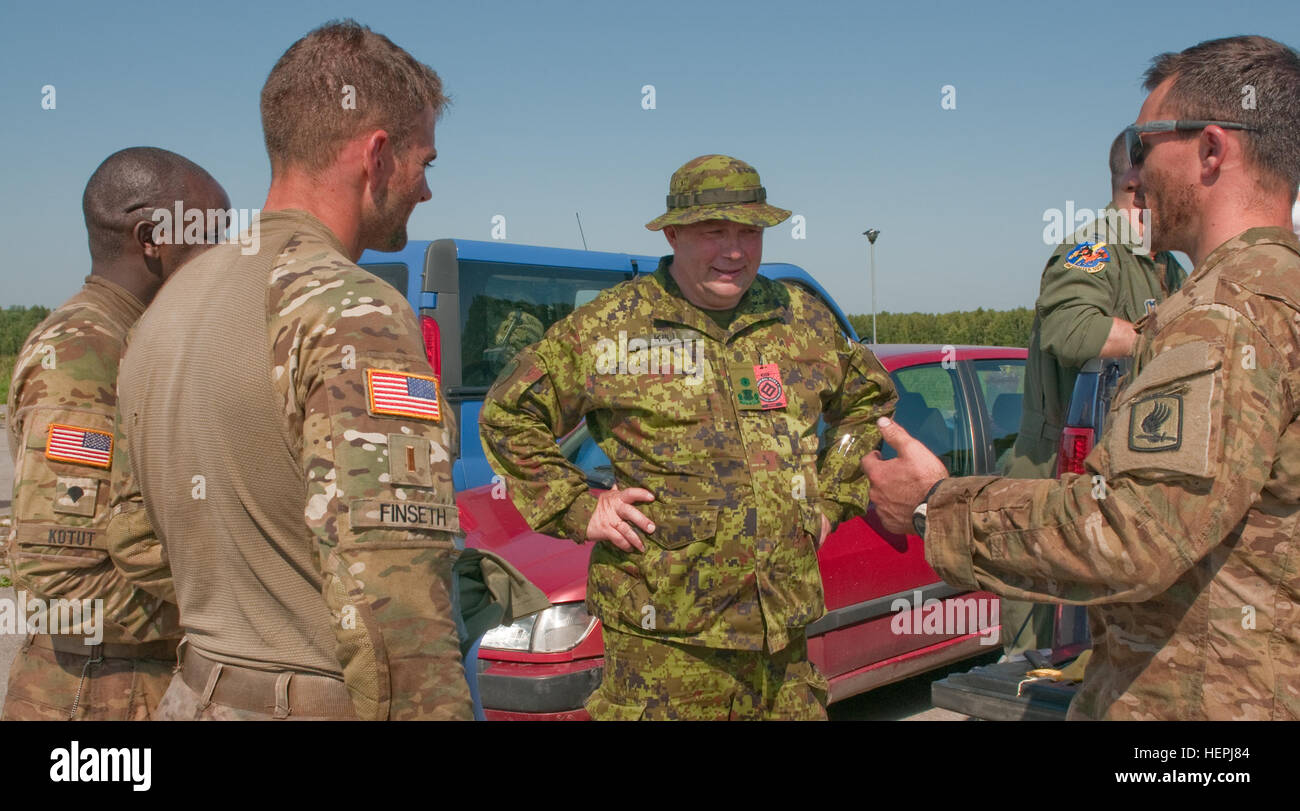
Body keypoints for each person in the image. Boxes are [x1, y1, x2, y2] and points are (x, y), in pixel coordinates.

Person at [863, 35, 1300, 720]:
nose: (1140, 168)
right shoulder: (1102, 247)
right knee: (1037, 640)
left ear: (1212, 151)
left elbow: (1134, 533)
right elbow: (1069, 330)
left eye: (1145, 141)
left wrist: (933, 505)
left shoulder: (1210, 302)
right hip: (1070, 501)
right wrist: (1151, 335)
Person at [105, 20, 472, 720]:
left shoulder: (164, 308)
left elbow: (131, 535)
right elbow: (395, 603)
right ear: (379, 155)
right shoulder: (351, 306)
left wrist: (245, 610)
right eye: (426, 162)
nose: (425, 189)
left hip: (193, 695)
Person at [480, 154, 897, 720]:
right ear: (673, 233)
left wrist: (832, 498)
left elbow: (868, 402)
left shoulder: (800, 319)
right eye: (713, 231)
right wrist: (578, 506)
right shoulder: (612, 328)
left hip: (783, 644)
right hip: (666, 645)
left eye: (749, 231)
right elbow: (508, 413)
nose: (735, 250)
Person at [3, 147, 228, 720]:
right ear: (152, 236)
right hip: (101, 694)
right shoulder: (87, 352)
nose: (226, 252)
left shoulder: (136, 340)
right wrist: (231, 613)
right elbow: (61, 582)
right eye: (213, 231)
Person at [1000, 132, 1187, 655]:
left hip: (1120, 486)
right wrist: (1165, 344)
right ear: (1136, 184)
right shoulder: (1094, 249)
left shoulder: (1167, 264)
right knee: (1042, 666)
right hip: (1058, 484)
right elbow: (1071, 330)